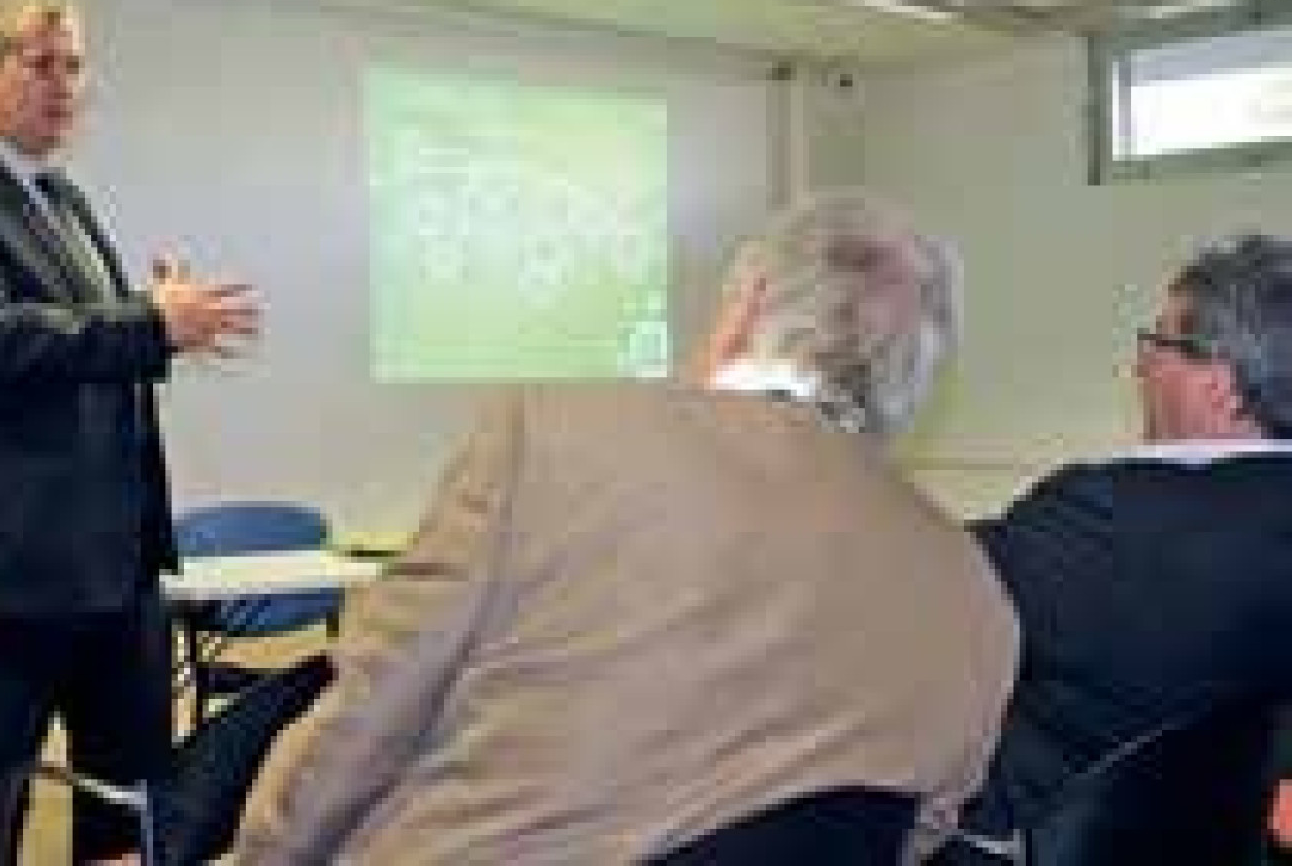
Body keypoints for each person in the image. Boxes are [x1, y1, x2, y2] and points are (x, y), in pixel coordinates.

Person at [234, 189, 1019, 865]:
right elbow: (914, 839)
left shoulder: (544, 439)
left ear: (745, 309)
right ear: (917, 375)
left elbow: (361, 728)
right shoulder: (976, 597)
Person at [0, 0, 259, 864]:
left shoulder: (61, 200)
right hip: (16, 572)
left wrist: (163, 326)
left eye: (75, 66)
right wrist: (149, 322)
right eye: (44, 64)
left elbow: (85, 341)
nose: (66, 85)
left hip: (115, 564)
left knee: (130, 795)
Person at [935, 232, 1292, 860]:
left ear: (1223, 388)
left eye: (1161, 343)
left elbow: (926, 584)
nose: (1140, 365)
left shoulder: (1099, 519)